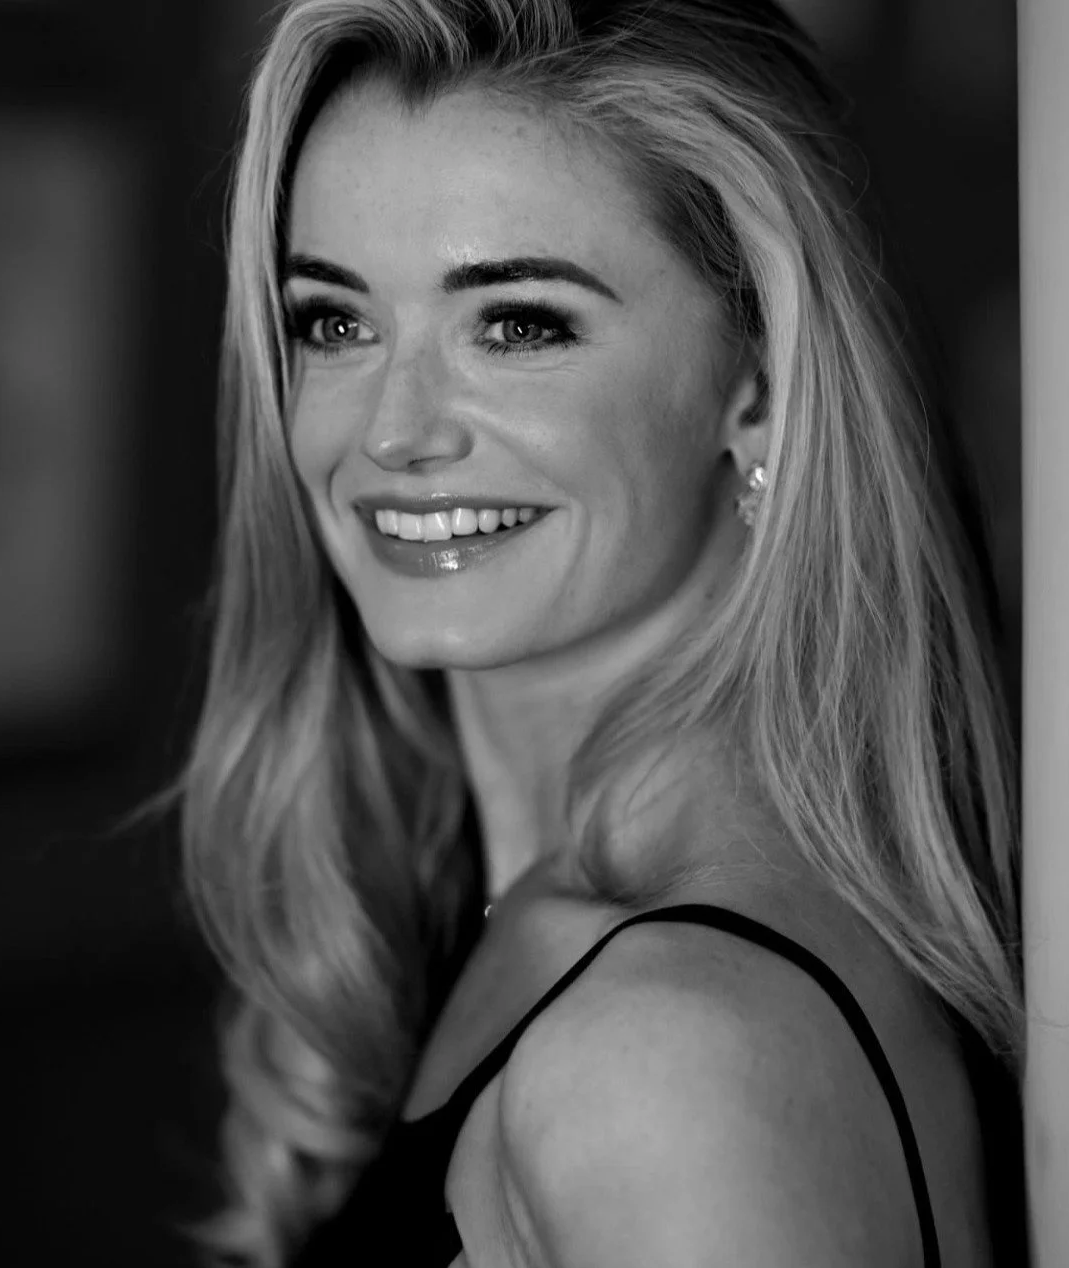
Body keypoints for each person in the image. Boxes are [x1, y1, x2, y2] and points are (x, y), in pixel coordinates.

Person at [179, 1, 1026, 1264]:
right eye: (334, 321)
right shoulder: (512, 914)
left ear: (757, 382)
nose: (395, 431)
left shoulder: (665, 1053)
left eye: (517, 324)